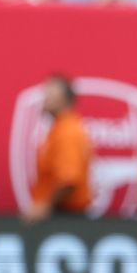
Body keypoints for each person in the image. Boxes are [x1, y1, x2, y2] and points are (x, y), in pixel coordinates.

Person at [24, 75, 94, 221]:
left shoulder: (67, 132)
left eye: (49, 94)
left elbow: (69, 180)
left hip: (65, 218)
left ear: (65, 100)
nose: (44, 99)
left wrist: (46, 206)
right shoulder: (59, 129)